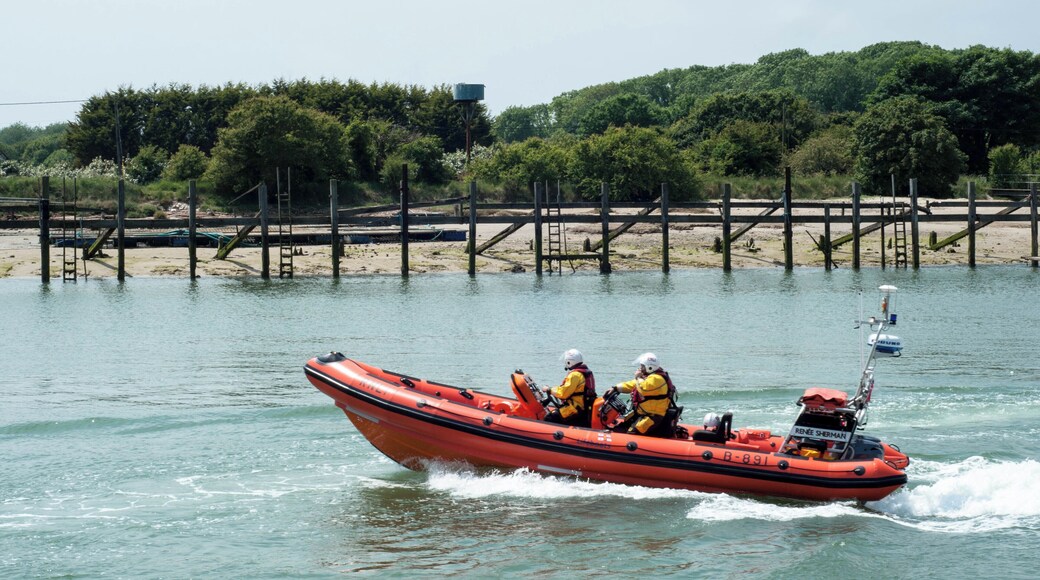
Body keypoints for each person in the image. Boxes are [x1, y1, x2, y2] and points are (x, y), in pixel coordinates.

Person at [605, 352, 677, 436]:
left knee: (632, 433)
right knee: (620, 428)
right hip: (642, 413)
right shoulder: (649, 377)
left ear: (650, 367)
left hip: (652, 416)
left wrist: (638, 377)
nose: (640, 368)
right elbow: (632, 384)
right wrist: (616, 388)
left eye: (642, 366)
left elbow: (643, 389)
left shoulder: (657, 379)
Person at [543, 349, 596, 427]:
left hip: (575, 409)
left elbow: (563, 393)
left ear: (569, 362)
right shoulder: (586, 372)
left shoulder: (575, 375)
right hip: (584, 408)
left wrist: (549, 389)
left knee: (549, 418)